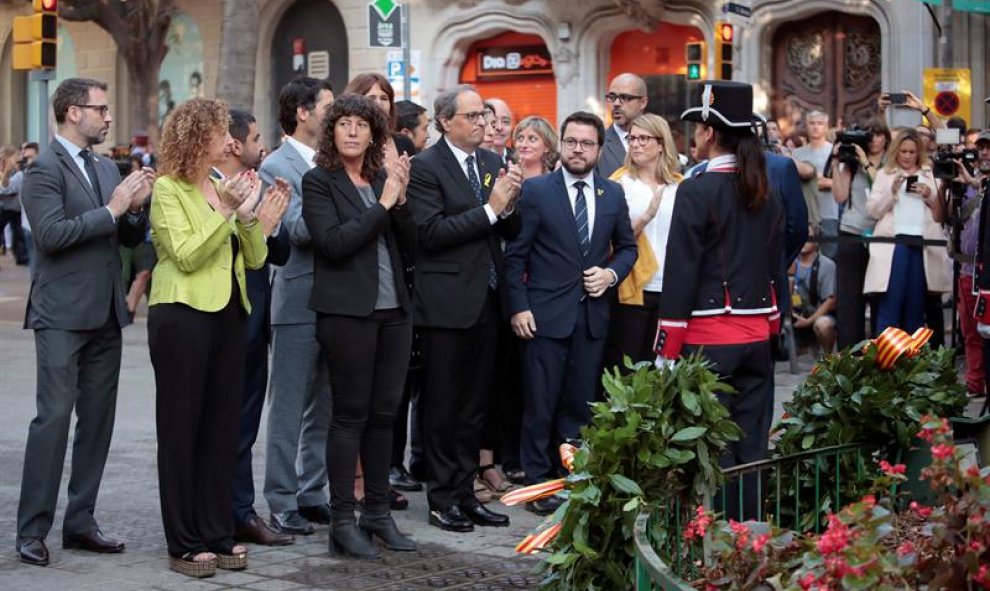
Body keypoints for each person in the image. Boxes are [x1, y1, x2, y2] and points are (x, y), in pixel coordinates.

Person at [16, 78, 152, 568]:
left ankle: (80, 522)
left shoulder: (104, 164)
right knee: (52, 421)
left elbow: (125, 232)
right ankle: (32, 530)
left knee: (98, 422)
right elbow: (51, 236)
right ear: (73, 112)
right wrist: (114, 208)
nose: (108, 116)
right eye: (100, 108)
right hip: (60, 314)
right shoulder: (41, 170)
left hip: (106, 313)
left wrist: (136, 209)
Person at [149, 98, 287, 577]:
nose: (228, 140)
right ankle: (183, 541)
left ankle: (216, 532)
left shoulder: (219, 185)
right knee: (182, 428)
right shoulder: (168, 189)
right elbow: (185, 256)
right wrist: (225, 212)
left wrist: (255, 220)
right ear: (196, 136)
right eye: (220, 131)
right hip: (181, 315)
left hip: (230, 314)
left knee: (222, 430)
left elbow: (252, 260)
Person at [302, 94, 418, 558]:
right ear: (331, 132)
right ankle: (341, 522)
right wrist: (383, 205)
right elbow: (333, 244)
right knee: (349, 415)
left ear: (374, 134)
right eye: (343, 123)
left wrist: (401, 202)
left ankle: (377, 515)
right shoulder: (319, 181)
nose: (351, 131)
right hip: (347, 314)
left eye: (361, 124)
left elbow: (410, 244)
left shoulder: (382, 179)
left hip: (395, 312)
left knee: (385, 415)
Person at [505, 111, 637, 515]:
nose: (578, 149)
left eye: (587, 143)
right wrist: (519, 306)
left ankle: (572, 480)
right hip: (543, 317)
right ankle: (537, 486)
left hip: (591, 317)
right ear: (560, 145)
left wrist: (611, 274)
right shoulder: (538, 191)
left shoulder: (611, 194)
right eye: (571, 142)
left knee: (580, 407)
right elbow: (515, 256)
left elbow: (628, 247)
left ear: (600, 149)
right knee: (540, 405)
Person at [655, 81, 785, 478]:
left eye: (698, 127)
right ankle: (749, 533)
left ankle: (714, 533)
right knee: (752, 446)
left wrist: (666, 347)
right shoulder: (768, 191)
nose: (695, 135)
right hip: (759, 335)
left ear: (709, 132)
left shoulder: (696, 190)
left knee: (712, 452)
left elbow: (682, 270)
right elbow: (776, 266)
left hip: (708, 340)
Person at [407, 84, 522, 532]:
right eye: (473, 116)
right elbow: (430, 233)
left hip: (488, 302)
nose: (483, 124)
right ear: (445, 121)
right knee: (443, 406)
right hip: (445, 304)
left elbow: (511, 227)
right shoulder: (425, 168)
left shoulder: (493, 163)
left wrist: (512, 200)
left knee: (476, 406)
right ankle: (441, 498)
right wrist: (492, 211)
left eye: (485, 117)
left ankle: (465, 491)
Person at [213, 109, 294, 547]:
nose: (263, 147)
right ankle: (226, 512)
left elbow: (275, 253)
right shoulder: (207, 189)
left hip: (256, 321)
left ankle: (240, 510)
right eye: (257, 138)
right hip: (224, 320)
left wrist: (271, 221)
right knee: (226, 424)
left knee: (245, 424)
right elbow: (218, 254)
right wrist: (252, 226)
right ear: (234, 144)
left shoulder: (258, 184)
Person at [261, 77, 335, 535]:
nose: (335, 114)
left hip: (336, 299)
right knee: (289, 406)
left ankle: (313, 492)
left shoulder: (329, 163)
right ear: (303, 113)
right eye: (328, 106)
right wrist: (335, 205)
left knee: (325, 406)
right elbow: (294, 229)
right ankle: (281, 499)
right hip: (296, 301)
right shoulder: (277, 164)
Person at [344, 72, 415, 510]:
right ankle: (351, 481)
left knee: (386, 401)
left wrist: (400, 191)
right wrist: (386, 194)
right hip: (354, 290)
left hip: (396, 284)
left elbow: (409, 226)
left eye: (384, 98)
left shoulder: (401, 151)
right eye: (369, 98)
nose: (378, 104)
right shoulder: (341, 162)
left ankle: (379, 480)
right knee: (352, 402)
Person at [603, 113, 681, 369]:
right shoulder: (619, 183)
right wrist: (646, 217)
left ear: (661, 143)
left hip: (671, 290)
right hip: (631, 290)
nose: (635, 144)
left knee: (665, 369)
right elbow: (607, 242)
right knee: (628, 368)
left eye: (643, 138)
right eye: (632, 138)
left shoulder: (681, 185)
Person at [864, 129, 949, 334]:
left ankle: (913, 361)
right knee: (889, 306)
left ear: (918, 153)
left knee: (916, 308)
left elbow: (943, 211)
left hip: (923, 244)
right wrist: (891, 193)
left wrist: (929, 194)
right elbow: (873, 210)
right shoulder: (885, 174)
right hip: (893, 244)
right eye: (903, 151)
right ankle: (884, 359)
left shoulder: (929, 174)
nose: (907, 156)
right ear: (896, 151)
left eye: (912, 152)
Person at [830, 119, 888, 348]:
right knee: (849, 299)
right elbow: (840, 197)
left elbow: (883, 186)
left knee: (878, 298)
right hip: (851, 232)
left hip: (881, 235)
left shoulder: (890, 163)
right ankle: (849, 356)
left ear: (886, 138)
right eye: (869, 134)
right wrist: (836, 163)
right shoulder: (852, 163)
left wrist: (866, 163)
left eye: (878, 134)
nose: (873, 139)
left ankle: (878, 352)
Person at [949, 130, 990, 397]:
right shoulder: (966, 185)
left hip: (987, 269)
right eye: (981, 148)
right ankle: (975, 382)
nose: (985, 152)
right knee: (970, 329)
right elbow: (943, 215)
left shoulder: (979, 185)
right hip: (967, 267)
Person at [793, 111, 836, 258]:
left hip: (829, 212)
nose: (816, 127)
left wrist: (826, 182)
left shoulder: (834, 151)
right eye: (812, 123)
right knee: (804, 257)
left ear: (826, 127)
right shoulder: (797, 154)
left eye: (820, 123)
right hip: (806, 213)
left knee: (830, 257)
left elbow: (842, 183)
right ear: (806, 126)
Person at [790, 227, 837, 355]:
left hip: (820, 313)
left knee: (823, 325)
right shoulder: (790, 262)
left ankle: (828, 358)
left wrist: (809, 321)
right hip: (796, 312)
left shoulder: (827, 265)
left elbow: (831, 300)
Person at [597, 73, 649, 178]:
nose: (616, 103)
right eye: (612, 97)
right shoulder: (598, 145)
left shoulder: (658, 142)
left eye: (624, 97)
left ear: (643, 103)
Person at [0, 146, 28, 265]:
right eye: (15, 156)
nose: (18, 158)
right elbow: (4, 188)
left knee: (18, 232)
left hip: (16, 206)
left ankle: (21, 256)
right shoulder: (5, 169)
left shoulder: (19, 171)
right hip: (3, 206)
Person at [486, 98, 515, 164]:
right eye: (493, 122)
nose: (499, 127)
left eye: (505, 121)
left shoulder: (520, 158)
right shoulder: (472, 160)